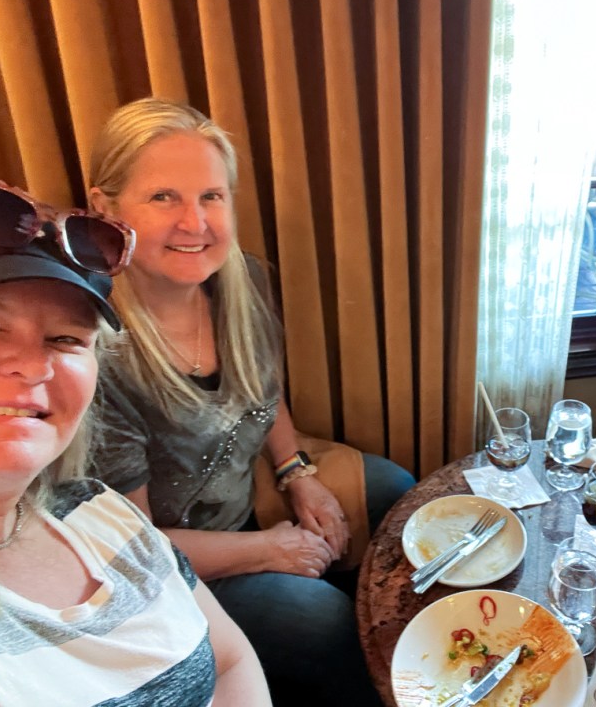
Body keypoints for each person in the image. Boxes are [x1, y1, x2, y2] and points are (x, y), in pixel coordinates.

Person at [86, 98, 414, 705]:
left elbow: (263, 391)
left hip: (249, 490)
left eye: (211, 196)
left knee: (399, 492)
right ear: (104, 208)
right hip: (174, 563)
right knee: (327, 623)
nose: (195, 223)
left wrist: (296, 472)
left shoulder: (244, 279)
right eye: (163, 197)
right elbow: (137, 548)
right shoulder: (99, 354)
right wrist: (269, 549)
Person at [0, 171, 270, 706]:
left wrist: (296, 469)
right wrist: (271, 549)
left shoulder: (95, 508)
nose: (34, 366)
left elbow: (230, 660)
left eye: (65, 338)